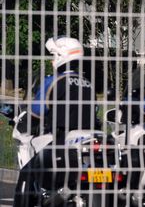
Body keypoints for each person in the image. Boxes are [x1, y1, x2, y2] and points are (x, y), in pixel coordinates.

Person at [14, 36, 99, 207]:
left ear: (62, 56)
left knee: (27, 171)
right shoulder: (88, 84)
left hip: (62, 140)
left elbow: (37, 111)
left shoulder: (54, 81)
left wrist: (26, 122)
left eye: (54, 55)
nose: (53, 59)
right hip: (87, 140)